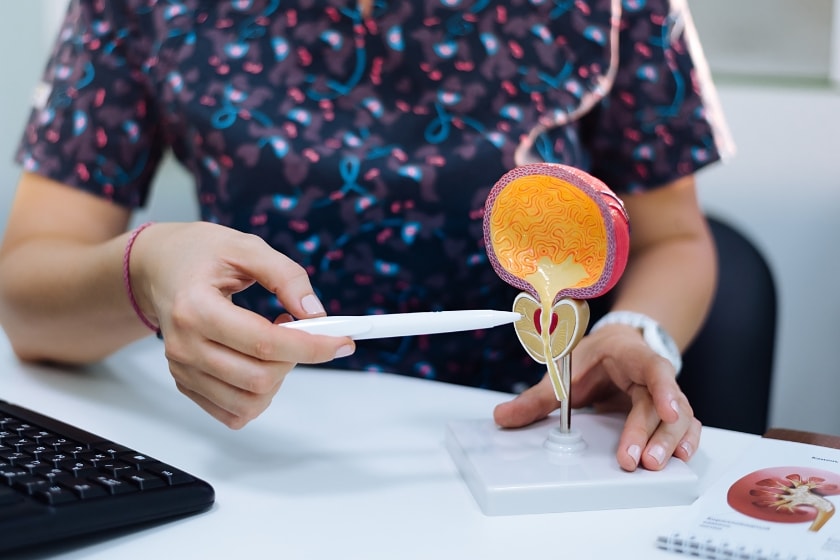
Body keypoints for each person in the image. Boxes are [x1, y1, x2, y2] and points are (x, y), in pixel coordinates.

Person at [0, 0, 731, 473]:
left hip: (518, 454)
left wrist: (639, 328)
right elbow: (27, 297)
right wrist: (147, 272)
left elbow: (674, 239)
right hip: (253, 460)